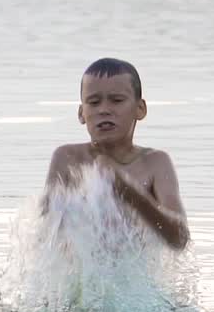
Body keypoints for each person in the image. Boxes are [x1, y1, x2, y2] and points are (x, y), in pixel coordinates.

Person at [44, 58, 189, 250]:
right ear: (81, 113)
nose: (104, 110)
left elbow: (180, 239)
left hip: (136, 278)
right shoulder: (67, 159)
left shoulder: (155, 163)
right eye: (94, 102)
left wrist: (129, 192)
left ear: (140, 109)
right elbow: (44, 236)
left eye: (117, 100)